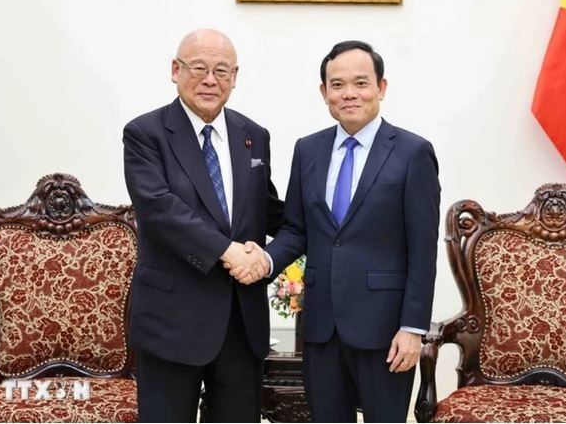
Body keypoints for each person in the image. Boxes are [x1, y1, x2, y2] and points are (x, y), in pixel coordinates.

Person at [232, 40, 440, 422]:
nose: (349, 94)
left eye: (361, 83)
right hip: (321, 328)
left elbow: (423, 249)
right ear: (324, 92)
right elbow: (296, 229)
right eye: (337, 84)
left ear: (382, 87)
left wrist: (413, 329)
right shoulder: (308, 150)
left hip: (386, 330)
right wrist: (263, 260)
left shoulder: (413, 152)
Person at [123, 29, 283, 422]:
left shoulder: (253, 136)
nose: (210, 80)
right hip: (171, 322)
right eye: (199, 68)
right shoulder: (146, 134)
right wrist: (228, 251)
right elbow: (160, 209)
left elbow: (271, 211)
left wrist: (270, 257)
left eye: (221, 70)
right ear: (175, 70)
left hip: (241, 324)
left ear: (235, 76)